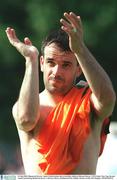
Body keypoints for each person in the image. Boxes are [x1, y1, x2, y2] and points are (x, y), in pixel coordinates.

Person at [5, 12, 116, 175]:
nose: (56, 72)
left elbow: (107, 100)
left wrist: (80, 50)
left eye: (66, 65)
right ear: (42, 63)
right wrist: (31, 60)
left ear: (78, 69)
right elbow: (26, 120)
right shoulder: (27, 106)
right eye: (51, 62)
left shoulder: (88, 101)